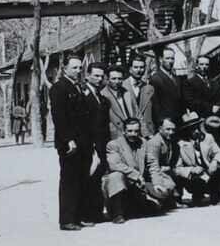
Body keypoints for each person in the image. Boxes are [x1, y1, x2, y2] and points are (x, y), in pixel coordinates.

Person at [50, 54, 97, 231]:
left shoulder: (79, 87)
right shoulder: (59, 88)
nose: (78, 71)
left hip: (83, 142)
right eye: (74, 68)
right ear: (65, 69)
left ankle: (80, 216)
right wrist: (68, 139)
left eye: (80, 68)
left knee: (82, 179)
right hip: (69, 144)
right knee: (69, 181)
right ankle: (67, 219)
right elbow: (59, 118)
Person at [102, 118, 175, 223]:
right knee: (115, 176)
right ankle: (117, 213)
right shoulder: (113, 144)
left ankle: (141, 205)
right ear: (124, 131)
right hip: (123, 184)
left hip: (138, 186)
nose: (133, 134)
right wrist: (136, 175)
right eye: (130, 131)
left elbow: (152, 164)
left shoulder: (144, 143)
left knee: (154, 206)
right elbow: (115, 165)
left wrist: (157, 183)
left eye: (136, 131)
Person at [172, 112, 220, 205]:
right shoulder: (181, 145)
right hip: (195, 177)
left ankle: (216, 197)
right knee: (195, 181)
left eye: (197, 127)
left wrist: (215, 161)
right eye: (192, 129)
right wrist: (191, 170)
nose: (196, 131)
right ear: (187, 131)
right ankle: (198, 197)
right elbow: (177, 168)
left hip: (209, 172)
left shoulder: (208, 138)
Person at [82, 62, 112, 223]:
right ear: (87, 75)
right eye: (96, 76)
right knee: (89, 178)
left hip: (102, 143)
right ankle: (87, 214)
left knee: (97, 178)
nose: (99, 79)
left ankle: (96, 212)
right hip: (89, 144)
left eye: (102, 76)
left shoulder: (101, 97)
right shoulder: (83, 95)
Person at [149, 46, 184, 134]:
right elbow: (155, 104)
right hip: (166, 123)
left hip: (179, 121)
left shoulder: (177, 78)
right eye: (167, 58)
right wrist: (162, 121)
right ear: (161, 59)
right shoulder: (155, 79)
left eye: (172, 58)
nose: (170, 61)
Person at [182, 54, 216, 119]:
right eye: (201, 64)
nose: (204, 67)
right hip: (199, 116)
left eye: (207, 64)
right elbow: (190, 102)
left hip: (214, 116)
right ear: (197, 66)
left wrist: (218, 106)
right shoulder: (189, 82)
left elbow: (219, 97)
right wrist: (211, 107)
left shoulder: (214, 82)